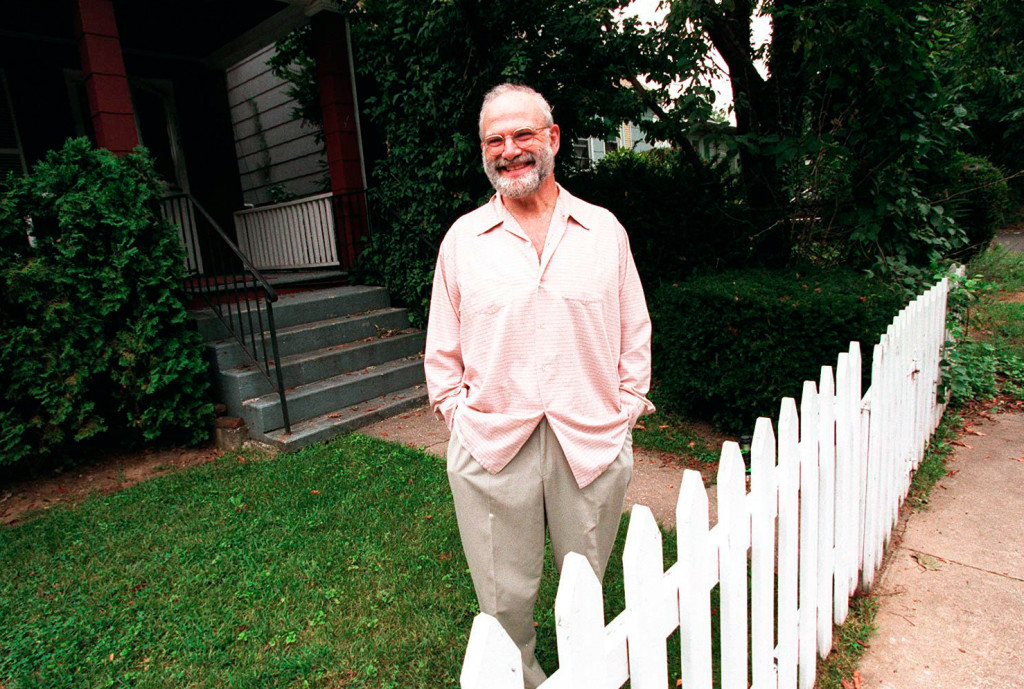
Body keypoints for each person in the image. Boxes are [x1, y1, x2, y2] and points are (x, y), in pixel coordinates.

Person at [424, 83, 654, 686]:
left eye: (523, 133)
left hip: (591, 438)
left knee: (585, 585)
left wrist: (627, 406)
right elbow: (442, 347)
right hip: (493, 443)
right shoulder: (462, 240)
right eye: (494, 140)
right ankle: (519, 677)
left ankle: (584, 675)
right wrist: (457, 414)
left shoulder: (603, 231)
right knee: (502, 597)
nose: (509, 150)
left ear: (552, 138)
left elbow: (635, 329)